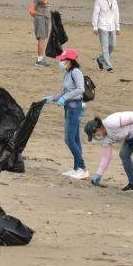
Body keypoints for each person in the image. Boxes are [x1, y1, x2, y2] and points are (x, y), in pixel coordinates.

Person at [84, 111, 133, 190]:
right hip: (132, 136)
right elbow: (106, 157)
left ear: (99, 127)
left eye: (95, 134)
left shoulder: (111, 122)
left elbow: (130, 119)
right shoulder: (106, 139)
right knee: (124, 155)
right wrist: (99, 174)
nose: (96, 137)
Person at [44, 49, 87, 179]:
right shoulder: (68, 73)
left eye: (63, 60)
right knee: (75, 139)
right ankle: (76, 168)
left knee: (69, 139)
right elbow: (65, 91)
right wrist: (53, 98)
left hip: (75, 107)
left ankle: (82, 168)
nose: (61, 63)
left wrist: (64, 98)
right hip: (69, 106)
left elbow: (81, 89)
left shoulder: (76, 72)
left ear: (70, 61)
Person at [91, 0, 121, 72]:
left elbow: (116, 14)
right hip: (102, 25)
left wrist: (118, 27)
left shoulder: (114, 1)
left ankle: (100, 59)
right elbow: (95, 13)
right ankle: (108, 66)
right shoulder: (99, 0)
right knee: (105, 47)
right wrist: (95, 27)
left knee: (112, 45)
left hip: (112, 26)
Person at [31, 0, 54, 67]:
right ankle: (39, 60)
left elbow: (46, 7)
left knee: (44, 38)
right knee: (41, 38)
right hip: (40, 18)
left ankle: (42, 57)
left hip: (46, 19)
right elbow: (44, 2)